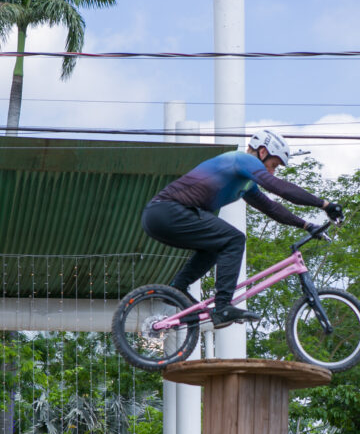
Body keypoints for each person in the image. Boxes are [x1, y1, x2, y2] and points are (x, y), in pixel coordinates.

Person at [141, 129, 343, 329]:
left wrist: (306, 225)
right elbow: (279, 188)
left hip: (160, 217)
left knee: (215, 246)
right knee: (234, 239)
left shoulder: (245, 183)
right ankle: (223, 307)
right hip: (168, 211)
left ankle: (177, 289)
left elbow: (271, 208)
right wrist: (324, 205)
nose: (272, 172)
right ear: (262, 152)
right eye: (273, 165)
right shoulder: (242, 160)